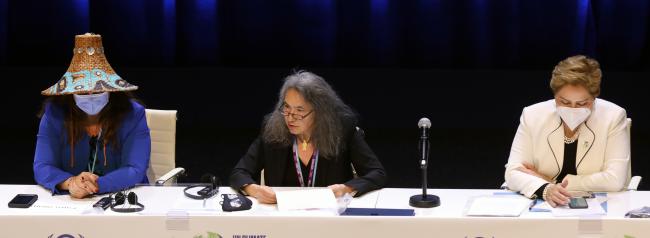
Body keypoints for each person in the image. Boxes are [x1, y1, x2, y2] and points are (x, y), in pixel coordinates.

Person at [230, 71, 387, 204]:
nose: (290, 118)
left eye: (299, 110)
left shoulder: (343, 130)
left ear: (320, 112)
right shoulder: (273, 131)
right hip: (282, 217)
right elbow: (239, 172)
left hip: (330, 216)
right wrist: (254, 190)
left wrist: (346, 189)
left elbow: (377, 173)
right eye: (287, 107)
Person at [33, 33, 151, 198]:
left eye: (97, 89)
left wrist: (95, 185)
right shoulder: (54, 113)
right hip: (71, 200)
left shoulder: (133, 114)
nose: (90, 95)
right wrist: (71, 183)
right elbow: (42, 166)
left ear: (110, 88)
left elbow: (134, 169)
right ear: (71, 91)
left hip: (124, 197)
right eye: (82, 90)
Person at [504, 55, 630, 207]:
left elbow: (615, 180)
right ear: (555, 95)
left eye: (582, 103)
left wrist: (552, 182)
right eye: (564, 102)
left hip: (596, 205)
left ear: (594, 98)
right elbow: (513, 172)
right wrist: (546, 189)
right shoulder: (532, 115)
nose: (572, 109)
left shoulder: (613, 116)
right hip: (541, 203)